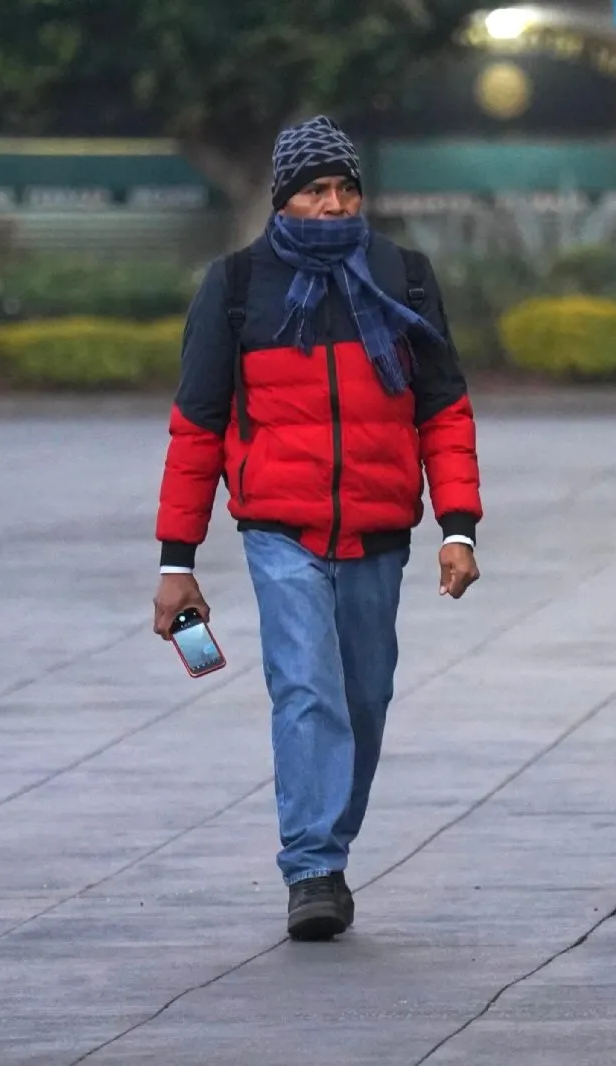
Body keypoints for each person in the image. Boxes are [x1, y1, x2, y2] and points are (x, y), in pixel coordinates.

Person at [151, 116, 483, 941]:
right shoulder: (235, 286)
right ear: (283, 199)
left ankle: (329, 842)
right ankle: (312, 869)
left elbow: (444, 407)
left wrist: (459, 526)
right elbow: (196, 428)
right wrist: (176, 560)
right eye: (315, 191)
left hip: (378, 530)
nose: (333, 206)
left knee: (364, 699)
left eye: (345, 189)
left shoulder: (402, 276)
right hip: (279, 529)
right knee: (305, 689)